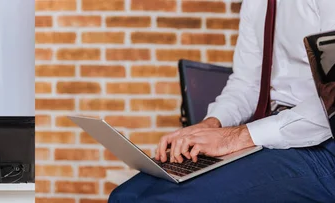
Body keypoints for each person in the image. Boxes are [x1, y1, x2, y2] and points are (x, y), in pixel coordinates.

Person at [109, 0, 335, 202]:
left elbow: (332, 105)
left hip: (324, 144)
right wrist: (211, 124)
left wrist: (237, 137)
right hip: (269, 130)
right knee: (125, 196)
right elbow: (247, 83)